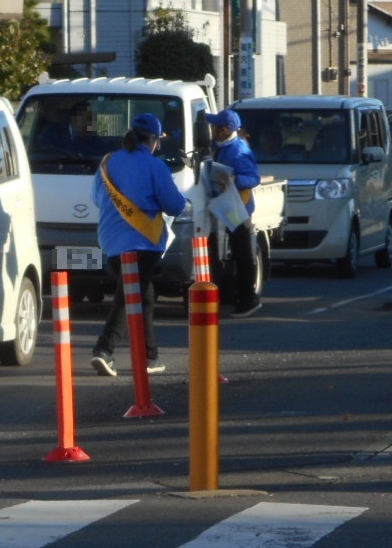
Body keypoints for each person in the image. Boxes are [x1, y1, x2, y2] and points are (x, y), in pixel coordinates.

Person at [89, 112, 190, 378]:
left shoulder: (108, 162)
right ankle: (103, 351)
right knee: (129, 297)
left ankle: (150, 357)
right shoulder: (155, 166)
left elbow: (97, 199)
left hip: (110, 243)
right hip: (142, 244)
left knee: (143, 298)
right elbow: (175, 205)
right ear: (154, 140)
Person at [204, 108, 262, 317]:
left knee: (242, 254)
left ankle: (248, 300)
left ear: (225, 129)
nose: (211, 128)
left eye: (215, 125)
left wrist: (236, 180)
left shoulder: (238, 150)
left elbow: (254, 178)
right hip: (226, 205)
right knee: (235, 253)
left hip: (238, 208)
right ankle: (238, 297)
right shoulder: (221, 145)